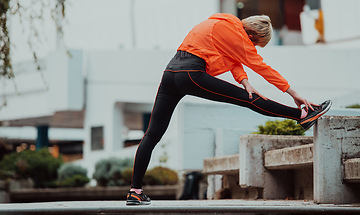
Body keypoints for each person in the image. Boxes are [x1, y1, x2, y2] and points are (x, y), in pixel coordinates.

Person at [126, 13, 332, 205]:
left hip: (170, 73)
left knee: (151, 134)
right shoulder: (238, 37)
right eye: (254, 43)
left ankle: (135, 191)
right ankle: (301, 115)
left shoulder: (224, 22)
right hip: (191, 73)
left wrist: (244, 82)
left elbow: (233, 58)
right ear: (250, 35)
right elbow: (261, 67)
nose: (253, 47)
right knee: (251, 100)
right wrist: (292, 92)